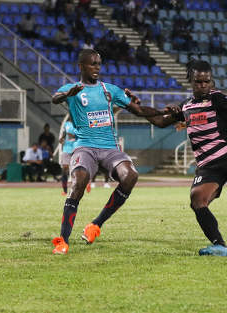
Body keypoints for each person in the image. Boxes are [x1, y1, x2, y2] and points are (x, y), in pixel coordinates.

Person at [144, 59, 227, 256]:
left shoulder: (216, 98)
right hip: (208, 165)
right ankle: (220, 245)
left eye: (207, 81)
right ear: (191, 80)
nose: (203, 85)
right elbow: (159, 121)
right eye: (199, 82)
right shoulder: (186, 107)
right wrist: (134, 106)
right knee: (197, 200)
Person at [50, 49, 171, 254]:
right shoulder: (72, 89)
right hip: (85, 146)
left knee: (130, 175)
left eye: (99, 63)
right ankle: (63, 240)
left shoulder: (109, 90)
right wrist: (66, 94)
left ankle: (95, 225)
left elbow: (139, 110)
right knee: (79, 182)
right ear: (81, 66)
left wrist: (164, 111)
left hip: (109, 147)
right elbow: (55, 98)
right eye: (92, 64)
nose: (97, 67)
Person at [59, 116, 76, 195]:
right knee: (65, 169)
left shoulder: (79, 122)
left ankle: (75, 189)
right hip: (66, 149)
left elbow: (82, 135)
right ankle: (65, 190)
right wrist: (61, 139)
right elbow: (63, 134)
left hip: (76, 149)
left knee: (75, 170)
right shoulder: (66, 124)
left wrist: (73, 136)